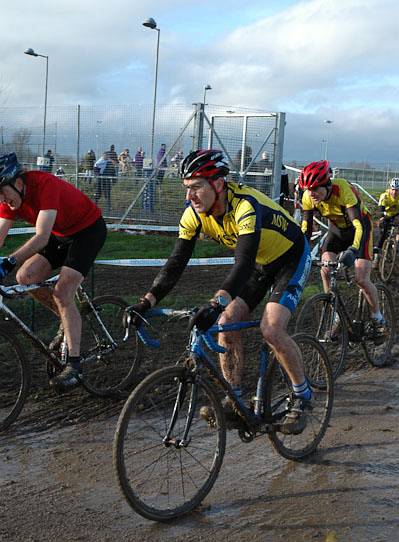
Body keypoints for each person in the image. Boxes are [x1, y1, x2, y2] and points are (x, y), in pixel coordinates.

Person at [126, 149, 313, 434]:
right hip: (260, 263)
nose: (190, 196)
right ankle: (235, 400)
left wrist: (216, 302)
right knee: (226, 322)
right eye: (187, 188)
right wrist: (147, 301)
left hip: (289, 257)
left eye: (196, 187)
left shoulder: (245, 205)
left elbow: (243, 262)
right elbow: (176, 262)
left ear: (218, 184)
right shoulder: (193, 214)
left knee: (272, 329)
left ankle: (302, 396)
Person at [0, 152, 107, 390]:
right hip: (61, 234)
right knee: (24, 277)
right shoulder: (10, 198)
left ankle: (75, 365)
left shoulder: (44, 185)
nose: (1, 199)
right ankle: (66, 317)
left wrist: (7, 261)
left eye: (2, 192)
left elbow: (41, 237)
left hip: (88, 231)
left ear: (17, 182)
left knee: (63, 292)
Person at [299, 160, 386, 338]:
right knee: (325, 270)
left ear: (327, 185)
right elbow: (306, 228)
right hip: (337, 231)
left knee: (361, 278)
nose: (311, 193)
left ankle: (378, 318)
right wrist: (300, 251)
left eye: (315, 188)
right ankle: (337, 317)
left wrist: (354, 250)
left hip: (360, 228)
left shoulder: (343, 189)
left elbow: (358, 225)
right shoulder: (308, 197)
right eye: (308, 189)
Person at [374, 177, 399, 263]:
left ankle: (396, 246)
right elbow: (381, 210)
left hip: (396, 216)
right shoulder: (384, 196)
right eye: (393, 190)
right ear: (390, 189)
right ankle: (376, 257)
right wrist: (382, 218)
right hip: (386, 215)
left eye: (397, 190)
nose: (395, 192)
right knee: (383, 233)